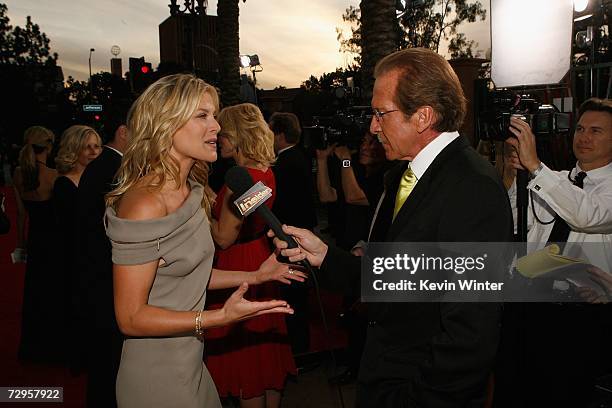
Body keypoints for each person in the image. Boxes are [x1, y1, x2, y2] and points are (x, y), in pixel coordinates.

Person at [270, 48, 513, 407]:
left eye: (381, 113)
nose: (372, 126)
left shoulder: (472, 187)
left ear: (423, 116)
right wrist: (323, 256)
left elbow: (470, 334)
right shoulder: (407, 174)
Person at [104, 74, 303, 408]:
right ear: (165, 125)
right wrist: (217, 318)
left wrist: (254, 277)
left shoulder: (191, 193)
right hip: (157, 374)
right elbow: (130, 317)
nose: (216, 127)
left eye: (214, 116)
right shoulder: (144, 203)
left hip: (192, 364)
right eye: (203, 116)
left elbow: (189, 277)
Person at [496, 97, 612, 407]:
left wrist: (535, 167)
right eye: (580, 128)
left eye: (597, 131)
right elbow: (514, 226)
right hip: (526, 306)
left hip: (578, 319)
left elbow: (587, 215)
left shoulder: (553, 180)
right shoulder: (552, 180)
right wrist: (514, 179)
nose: (584, 137)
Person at [206, 103, 299, 408]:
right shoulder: (264, 172)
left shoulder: (240, 176)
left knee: (246, 352)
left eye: (223, 131)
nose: (218, 136)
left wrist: (196, 210)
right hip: (260, 258)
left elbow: (223, 236)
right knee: (263, 350)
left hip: (238, 264)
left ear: (237, 135)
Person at [75, 101, 132, 407]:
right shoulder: (114, 168)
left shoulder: (104, 165)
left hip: (97, 271)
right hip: (105, 273)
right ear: (123, 133)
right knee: (109, 357)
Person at [52, 125, 102, 366]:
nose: (94, 152)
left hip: (97, 254)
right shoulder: (64, 184)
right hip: (73, 255)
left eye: (97, 146)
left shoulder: (100, 180)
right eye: (87, 147)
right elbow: (65, 228)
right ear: (74, 150)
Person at [268, 111, 316, 355]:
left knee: (293, 295)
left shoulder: (285, 164)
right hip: (300, 233)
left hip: (292, 239)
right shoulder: (300, 156)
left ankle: (298, 350)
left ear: (280, 135)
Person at [12, 126, 61, 363]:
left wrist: (21, 244)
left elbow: (21, 215)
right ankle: (53, 347)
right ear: (49, 147)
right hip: (54, 242)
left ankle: (32, 348)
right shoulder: (54, 176)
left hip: (35, 239)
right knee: (53, 294)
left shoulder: (19, 174)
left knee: (34, 294)